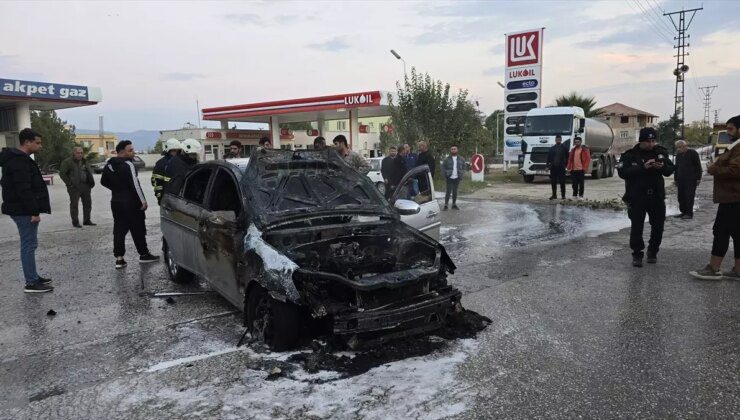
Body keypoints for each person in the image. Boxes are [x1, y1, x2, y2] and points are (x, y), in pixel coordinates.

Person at [0, 128, 53, 293]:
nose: (40, 146)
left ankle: (33, 277)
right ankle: (31, 282)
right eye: (37, 142)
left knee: (30, 243)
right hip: (23, 210)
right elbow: (23, 189)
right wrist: (34, 212)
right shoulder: (19, 161)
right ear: (27, 142)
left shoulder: (19, 159)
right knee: (28, 245)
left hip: (21, 208)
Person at [689, 115, 740, 280]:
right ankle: (737, 271)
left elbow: (735, 170)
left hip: (733, 198)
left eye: (731, 129)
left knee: (721, 231)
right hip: (731, 197)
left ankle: (713, 268)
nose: (728, 133)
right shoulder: (735, 146)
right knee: (735, 233)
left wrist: (713, 169)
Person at [617, 127, 675, 267]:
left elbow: (669, 170)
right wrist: (643, 167)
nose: (651, 144)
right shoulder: (630, 155)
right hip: (637, 197)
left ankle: (653, 251)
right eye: (648, 141)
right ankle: (637, 254)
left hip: (656, 196)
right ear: (641, 141)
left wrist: (660, 167)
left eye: (653, 141)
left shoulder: (660, 152)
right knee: (637, 227)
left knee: (658, 227)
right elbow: (623, 172)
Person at [101, 140, 159, 269]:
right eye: (130, 150)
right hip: (131, 203)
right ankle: (144, 254)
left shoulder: (109, 165)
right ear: (122, 152)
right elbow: (135, 184)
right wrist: (143, 201)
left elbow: (103, 181)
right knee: (138, 228)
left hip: (116, 202)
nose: (133, 152)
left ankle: (119, 259)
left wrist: (116, 190)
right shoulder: (128, 164)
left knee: (119, 230)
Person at [59, 146, 96, 227]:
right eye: (78, 153)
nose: (80, 154)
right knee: (74, 205)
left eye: (81, 153)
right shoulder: (67, 162)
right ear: (74, 153)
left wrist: (90, 182)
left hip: (86, 185)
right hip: (74, 187)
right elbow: (62, 173)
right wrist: (69, 184)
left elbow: (88, 171)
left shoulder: (84, 161)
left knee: (87, 203)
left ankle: (87, 220)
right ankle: (75, 222)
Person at [673, 140, 702, 219]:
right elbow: (676, 168)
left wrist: (698, 178)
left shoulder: (693, 153)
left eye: (679, 147)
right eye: (677, 147)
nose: (678, 149)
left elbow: (698, 166)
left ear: (685, 146)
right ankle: (683, 212)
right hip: (681, 179)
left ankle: (689, 213)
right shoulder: (678, 155)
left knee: (689, 196)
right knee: (681, 197)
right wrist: (675, 179)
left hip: (691, 179)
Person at [151, 138, 182, 204]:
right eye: (174, 150)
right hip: (167, 198)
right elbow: (156, 183)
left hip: (179, 198)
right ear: (168, 150)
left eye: (178, 151)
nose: (176, 153)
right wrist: (160, 198)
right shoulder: (160, 164)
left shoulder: (180, 162)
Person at [442, 145, 466, 210]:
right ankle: (446, 205)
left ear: (457, 150)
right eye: (452, 149)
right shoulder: (447, 159)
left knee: (455, 191)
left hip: (457, 177)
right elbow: (443, 167)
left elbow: (464, 167)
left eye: (454, 149)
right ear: (450, 150)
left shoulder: (461, 159)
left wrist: (462, 174)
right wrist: (445, 175)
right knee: (448, 191)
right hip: (449, 177)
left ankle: (454, 204)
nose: (453, 150)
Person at [547, 134, 569, 200]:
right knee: (553, 182)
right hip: (553, 168)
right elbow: (548, 158)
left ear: (561, 140)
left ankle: (563, 196)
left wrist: (566, 166)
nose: (558, 140)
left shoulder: (565, 148)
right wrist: (547, 166)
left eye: (559, 139)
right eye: (557, 139)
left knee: (562, 182)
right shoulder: (552, 148)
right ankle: (554, 195)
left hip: (561, 167)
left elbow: (568, 158)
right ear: (555, 140)